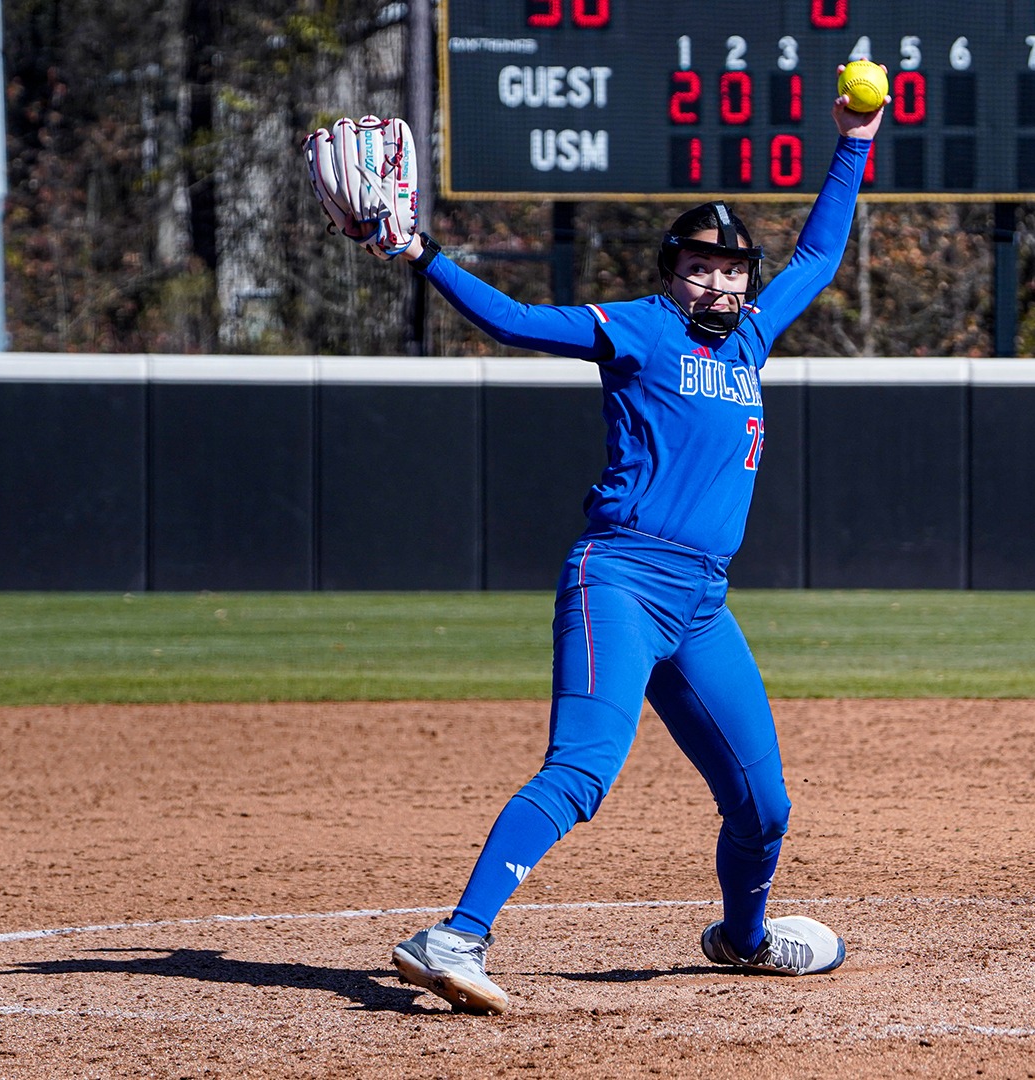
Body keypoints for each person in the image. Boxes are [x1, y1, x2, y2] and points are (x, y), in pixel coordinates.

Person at [372, 83, 886, 1014]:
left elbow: (818, 255)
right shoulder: (641, 328)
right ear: (671, 271)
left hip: (702, 605)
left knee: (764, 805)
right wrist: (422, 252)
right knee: (583, 767)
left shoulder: (751, 340)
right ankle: (454, 937)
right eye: (700, 266)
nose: (719, 283)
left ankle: (744, 940)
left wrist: (854, 142)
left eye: (732, 269)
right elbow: (517, 321)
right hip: (618, 577)